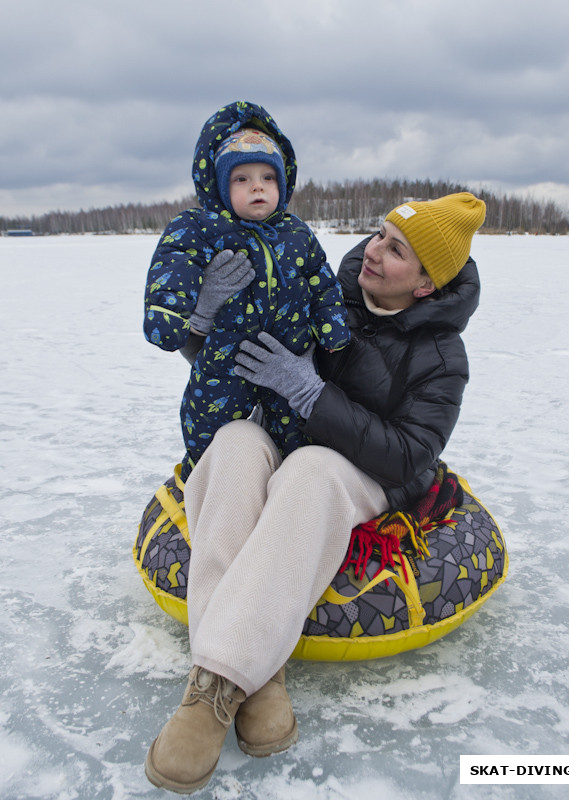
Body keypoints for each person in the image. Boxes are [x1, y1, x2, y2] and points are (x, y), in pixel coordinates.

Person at [144, 192, 486, 793]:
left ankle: (212, 689)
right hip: (287, 435)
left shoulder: (442, 356)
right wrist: (201, 321)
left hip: (365, 473)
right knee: (234, 441)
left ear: (428, 285)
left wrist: (312, 395)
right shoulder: (318, 288)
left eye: (396, 250)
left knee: (311, 471)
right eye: (379, 235)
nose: (373, 251)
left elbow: (410, 454)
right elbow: (231, 358)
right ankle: (262, 670)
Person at [143, 101, 349, 481]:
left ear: (282, 183)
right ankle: (205, 481)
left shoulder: (297, 232)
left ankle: (290, 489)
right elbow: (175, 261)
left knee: (297, 433)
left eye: (267, 178)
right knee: (213, 425)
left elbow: (322, 280)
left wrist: (332, 326)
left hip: (291, 355)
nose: (257, 186)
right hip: (227, 356)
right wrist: (173, 314)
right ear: (221, 186)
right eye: (242, 179)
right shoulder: (202, 227)